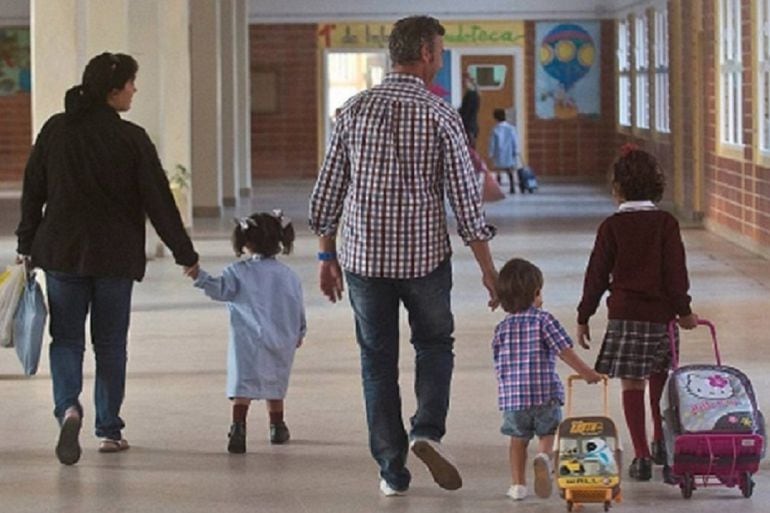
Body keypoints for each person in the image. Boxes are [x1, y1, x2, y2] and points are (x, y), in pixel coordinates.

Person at [309, 15, 498, 497]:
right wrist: (488, 271)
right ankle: (426, 432)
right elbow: (465, 200)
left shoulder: (352, 110)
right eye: (438, 51)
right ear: (427, 54)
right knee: (434, 346)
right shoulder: (440, 115)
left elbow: (326, 195)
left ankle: (392, 471)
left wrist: (325, 258)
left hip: (365, 260)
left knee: (377, 361)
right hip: (424, 259)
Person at [15, 52, 199, 465]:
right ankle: (109, 429)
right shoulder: (131, 138)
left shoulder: (56, 131)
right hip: (114, 255)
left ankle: (68, 408)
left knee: (65, 338)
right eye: (131, 83)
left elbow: (33, 190)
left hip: (63, 252)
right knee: (111, 343)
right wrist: (183, 253)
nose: (135, 89)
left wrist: (26, 241)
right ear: (113, 90)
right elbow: (159, 200)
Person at [576, 144, 698, 481]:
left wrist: (584, 314)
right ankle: (662, 442)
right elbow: (676, 273)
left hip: (625, 316)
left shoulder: (611, 226)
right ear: (657, 185)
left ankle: (641, 456)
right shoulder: (666, 223)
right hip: (661, 318)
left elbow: (596, 276)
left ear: (617, 188)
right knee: (660, 378)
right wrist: (683, 310)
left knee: (633, 383)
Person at [188, 211, 306, 454]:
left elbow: (220, 290)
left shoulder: (237, 272)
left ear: (246, 242)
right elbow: (297, 307)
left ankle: (238, 428)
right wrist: (300, 331)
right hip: (281, 338)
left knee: (243, 384)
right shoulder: (289, 276)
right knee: (276, 380)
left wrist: (200, 277)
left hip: (247, 341)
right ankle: (277, 426)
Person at [493, 258, 602, 501]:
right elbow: (564, 351)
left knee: (517, 440)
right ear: (536, 293)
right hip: (545, 394)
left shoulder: (501, 328)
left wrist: (507, 390)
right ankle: (543, 457)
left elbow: (498, 362)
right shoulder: (544, 320)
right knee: (549, 433)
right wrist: (588, 373)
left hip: (514, 399)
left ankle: (518, 486)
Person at [488, 108, 520, 194]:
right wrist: (516, 150)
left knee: (498, 169)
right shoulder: (511, 128)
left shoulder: (495, 129)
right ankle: (512, 186)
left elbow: (492, 143)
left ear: (495, 118)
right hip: (509, 152)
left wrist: (491, 153)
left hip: (499, 153)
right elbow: (515, 140)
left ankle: (498, 186)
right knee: (509, 170)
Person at [458, 72, 480, 141]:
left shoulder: (471, 95)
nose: (462, 84)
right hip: (472, 126)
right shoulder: (475, 94)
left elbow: (466, 112)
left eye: (463, 81)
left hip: (468, 127)